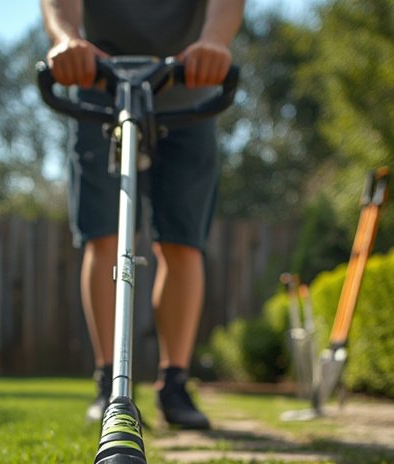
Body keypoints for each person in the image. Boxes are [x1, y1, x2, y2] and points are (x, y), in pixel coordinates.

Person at [41, 0, 245, 428]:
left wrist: (212, 43)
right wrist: (66, 41)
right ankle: (109, 384)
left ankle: (174, 383)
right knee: (104, 235)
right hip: (98, 86)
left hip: (190, 88)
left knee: (183, 241)